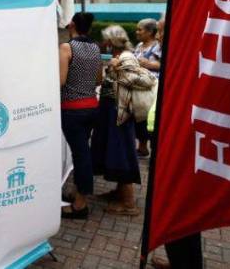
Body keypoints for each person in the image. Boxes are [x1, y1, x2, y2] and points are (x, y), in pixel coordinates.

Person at [92, 25, 142, 215]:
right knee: (114, 150)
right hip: (113, 112)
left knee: (121, 152)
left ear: (112, 41)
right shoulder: (121, 57)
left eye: (106, 40)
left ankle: (128, 203)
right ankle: (120, 192)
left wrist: (115, 67)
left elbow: (130, 84)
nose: (104, 43)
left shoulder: (125, 58)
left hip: (119, 113)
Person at [58, 12, 102, 219]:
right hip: (92, 107)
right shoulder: (95, 48)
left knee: (81, 155)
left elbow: (61, 80)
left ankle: (80, 204)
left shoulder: (67, 48)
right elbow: (99, 79)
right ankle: (78, 193)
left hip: (72, 109)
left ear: (72, 25)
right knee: (82, 152)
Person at [132, 18, 161, 157]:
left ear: (150, 32)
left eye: (140, 29)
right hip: (138, 87)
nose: (137, 32)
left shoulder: (157, 46)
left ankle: (148, 148)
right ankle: (142, 147)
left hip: (151, 88)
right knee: (138, 117)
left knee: (148, 118)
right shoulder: (139, 46)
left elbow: (163, 64)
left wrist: (147, 64)